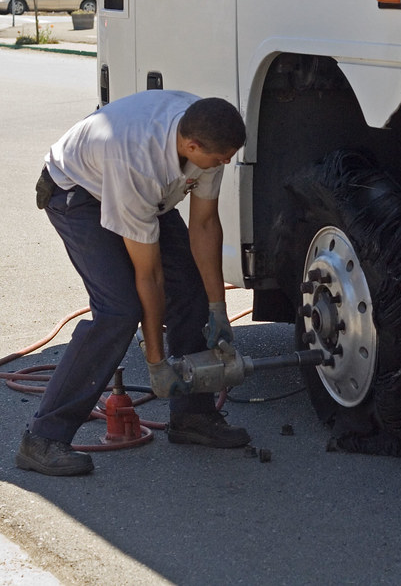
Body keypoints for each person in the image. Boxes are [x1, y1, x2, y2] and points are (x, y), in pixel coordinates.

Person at [17, 90, 250, 476]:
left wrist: (217, 309)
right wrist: (156, 361)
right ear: (191, 146)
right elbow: (150, 274)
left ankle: (192, 415)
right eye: (221, 158)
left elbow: (205, 224)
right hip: (78, 192)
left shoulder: (208, 133)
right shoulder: (138, 164)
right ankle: (42, 437)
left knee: (190, 287)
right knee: (119, 310)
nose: (226, 162)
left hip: (139, 191)